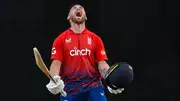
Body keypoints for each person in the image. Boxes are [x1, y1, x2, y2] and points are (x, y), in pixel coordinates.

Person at [46, 4, 124, 101]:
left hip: (93, 86)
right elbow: (56, 64)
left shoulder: (95, 39)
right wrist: (54, 78)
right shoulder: (60, 39)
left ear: (85, 17)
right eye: (74, 8)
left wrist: (111, 79)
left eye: (81, 8)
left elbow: (102, 65)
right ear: (68, 17)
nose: (78, 9)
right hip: (70, 87)